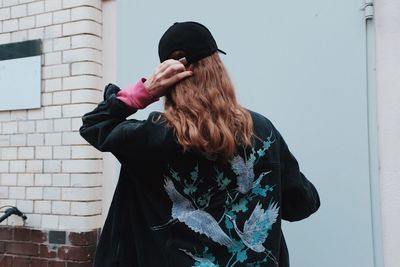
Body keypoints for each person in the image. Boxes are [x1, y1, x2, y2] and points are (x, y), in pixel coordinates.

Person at [80, 21, 320, 267]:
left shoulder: (153, 138)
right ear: (218, 69)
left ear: (167, 79)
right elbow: (302, 205)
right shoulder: (261, 131)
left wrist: (146, 91)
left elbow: (95, 125)